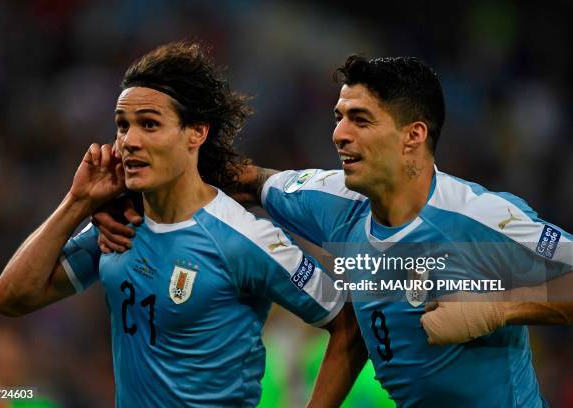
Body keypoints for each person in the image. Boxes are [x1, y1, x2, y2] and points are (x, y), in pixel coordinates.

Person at [96, 55, 573, 406]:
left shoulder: (481, 220)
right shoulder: (326, 200)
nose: (339, 134)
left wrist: (501, 308)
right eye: (339, 117)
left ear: (414, 135)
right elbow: (234, 178)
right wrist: (126, 199)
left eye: (360, 120)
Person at [0, 42, 367, 407]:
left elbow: (348, 324)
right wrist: (78, 202)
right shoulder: (119, 226)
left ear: (196, 132)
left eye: (149, 125)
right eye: (122, 126)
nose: (129, 141)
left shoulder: (243, 239)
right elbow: (11, 299)